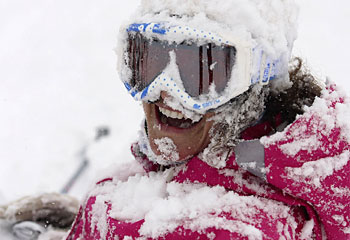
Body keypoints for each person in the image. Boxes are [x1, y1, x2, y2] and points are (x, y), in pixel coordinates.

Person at [2, 0, 350, 239]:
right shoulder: (253, 154)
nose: (166, 92)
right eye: (149, 63)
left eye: (201, 71)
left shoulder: (217, 227)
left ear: (257, 78)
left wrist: (99, 222)